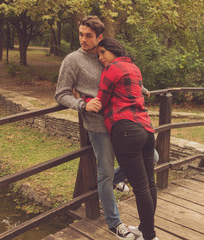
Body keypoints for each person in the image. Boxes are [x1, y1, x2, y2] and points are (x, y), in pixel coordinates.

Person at [55, 16, 134, 240]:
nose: (83, 39)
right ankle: (114, 223)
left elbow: (120, 76)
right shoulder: (72, 60)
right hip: (97, 125)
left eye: (88, 35)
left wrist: (140, 87)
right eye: (80, 34)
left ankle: (118, 179)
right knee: (104, 174)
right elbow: (60, 94)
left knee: (152, 156)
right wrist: (82, 104)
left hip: (120, 120)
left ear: (99, 37)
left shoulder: (106, 54)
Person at [86, 38, 158, 240]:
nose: (100, 58)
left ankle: (150, 235)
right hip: (146, 128)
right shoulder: (133, 67)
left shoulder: (112, 68)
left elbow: (101, 101)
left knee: (141, 187)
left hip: (125, 130)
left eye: (102, 53)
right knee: (149, 184)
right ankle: (145, 228)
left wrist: (84, 99)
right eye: (98, 54)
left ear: (113, 50)